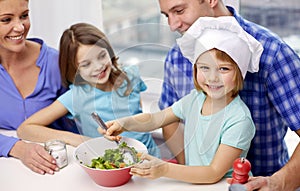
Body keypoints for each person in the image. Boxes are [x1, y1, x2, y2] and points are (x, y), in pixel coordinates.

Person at [101, 16, 263, 184]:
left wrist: (164, 168)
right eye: (205, 68)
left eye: (223, 69)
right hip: (196, 184)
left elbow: (213, 172)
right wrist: (124, 123)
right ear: (195, 69)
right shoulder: (195, 99)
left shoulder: (239, 120)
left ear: (240, 73)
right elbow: (156, 119)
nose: (213, 77)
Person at [157, 0, 300, 178]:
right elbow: (170, 120)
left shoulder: (272, 53)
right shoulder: (176, 57)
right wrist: (194, 173)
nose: (172, 25)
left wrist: (279, 183)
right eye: (166, 16)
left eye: (179, 11)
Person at [17, 22, 160, 158]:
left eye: (102, 56)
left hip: (152, 158)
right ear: (74, 69)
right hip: (114, 165)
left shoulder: (131, 75)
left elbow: (138, 114)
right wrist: (78, 139)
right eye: (86, 64)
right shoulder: (75, 96)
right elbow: (25, 129)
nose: (98, 67)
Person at [0, 0, 82, 175]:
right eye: (6, 20)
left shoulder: (56, 62)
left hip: (64, 168)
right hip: (9, 172)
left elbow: (87, 110)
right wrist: (18, 148)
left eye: (24, 16)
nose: (20, 27)